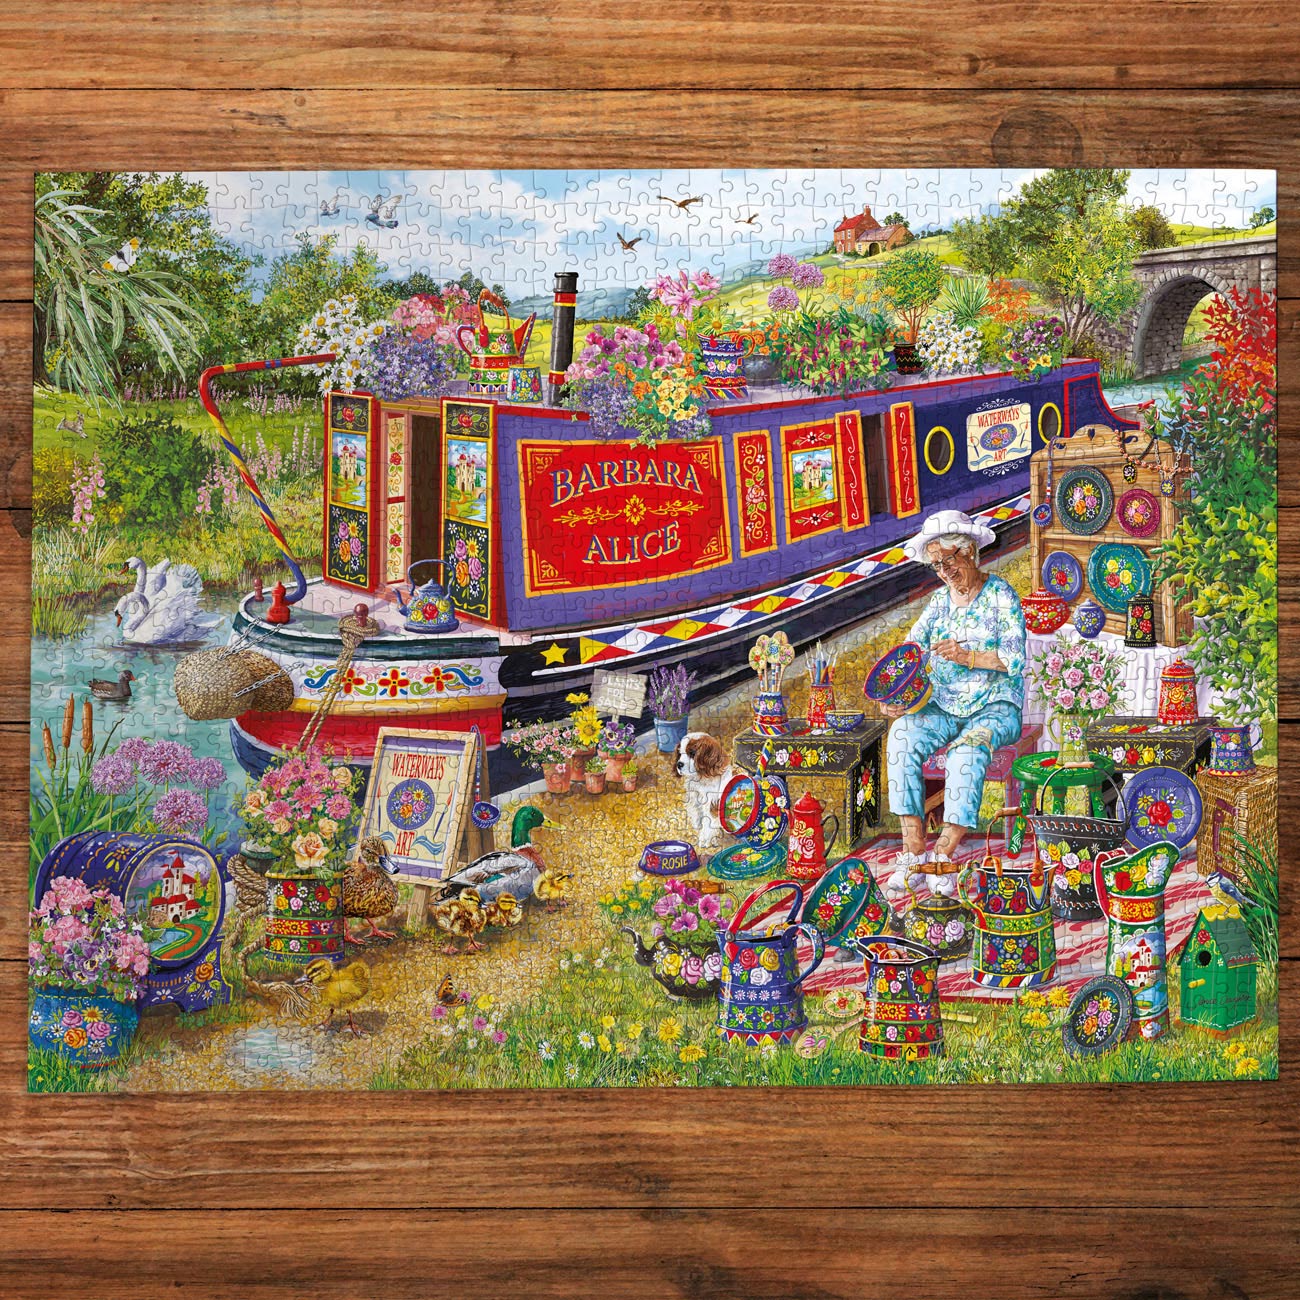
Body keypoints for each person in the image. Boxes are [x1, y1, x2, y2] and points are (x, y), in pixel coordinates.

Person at [880, 509, 1026, 898]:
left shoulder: (1001, 595)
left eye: (948, 561)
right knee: (902, 736)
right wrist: (893, 697)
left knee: (966, 753)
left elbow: (1014, 660)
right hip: (944, 705)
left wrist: (967, 657)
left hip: (994, 705)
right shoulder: (939, 602)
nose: (944, 572)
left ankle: (942, 854)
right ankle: (913, 850)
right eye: (936, 565)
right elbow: (909, 653)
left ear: (969, 552)